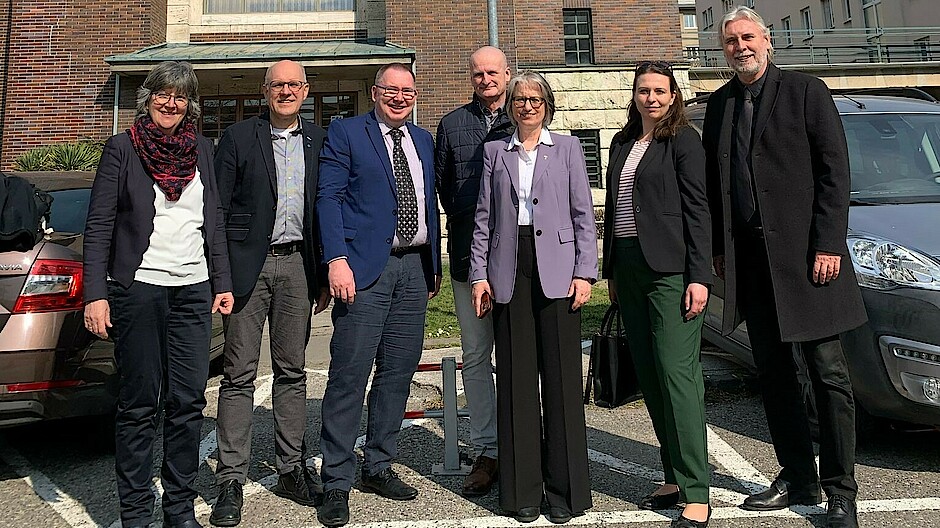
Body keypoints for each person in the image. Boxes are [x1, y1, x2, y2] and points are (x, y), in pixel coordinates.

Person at [702, 7, 867, 528]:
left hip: (809, 261)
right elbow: (716, 183)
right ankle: (798, 474)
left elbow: (834, 172)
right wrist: (719, 249)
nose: (740, 47)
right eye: (730, 41)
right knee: (775, 376)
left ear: (768, 42)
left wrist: (828, 244)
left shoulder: (805, 91)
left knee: (829, 375)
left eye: (748, 38)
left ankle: (841, 490)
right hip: (752, 264)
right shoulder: (722, 104)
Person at [83, 60, 234, 528]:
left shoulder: (202, 150)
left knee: (188, 403)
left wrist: (222, 282)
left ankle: (178, 509)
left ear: (190, 105)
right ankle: (134, 514)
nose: (171, 103)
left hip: (192, 290)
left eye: (181, 96)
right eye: (163, 94)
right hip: (140, 289)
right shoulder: (121, 149)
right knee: (140, 405)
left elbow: (214, 219)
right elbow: (99, 226)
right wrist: (95, 293)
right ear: (148, 98)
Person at [315, 62, 442, 528]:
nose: (400, 97)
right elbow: (328, 198)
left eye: (408, 91)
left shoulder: (423, 140)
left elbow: (428, 201)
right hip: (362, 270)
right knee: (349, 375)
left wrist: (432, 266)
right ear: (374, 92)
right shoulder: (347, 133)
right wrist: (335, 259)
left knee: (397, 373)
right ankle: (336, 480)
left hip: (413, 269)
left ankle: (379, 464)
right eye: (391, 90)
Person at [469, 70, 597, 525]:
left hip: (559, 271)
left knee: (561, 380)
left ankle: (564, 492)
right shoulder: (493, 154)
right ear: (510, 106)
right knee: (518, 380)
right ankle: (523, 490)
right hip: (509, 268)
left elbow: (584, 214)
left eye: (535, 99)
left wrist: (586, 272)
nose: (527, 106)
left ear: (547, 104)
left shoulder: (567, 149)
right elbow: (483, 218)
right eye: (520, 99)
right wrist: (479, 275)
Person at [209, 59, 330, 527]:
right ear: (265, 90)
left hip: (299, 265)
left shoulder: (320, 140)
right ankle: (230, 478)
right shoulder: (240, 138)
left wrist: (321, 275)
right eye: (278, 84)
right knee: (238, 373)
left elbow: (326, 206)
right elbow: (216, 210)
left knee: (292, 370)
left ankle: (291, 467)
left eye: (293, 84)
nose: (285, 91)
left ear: (305, 90)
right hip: (247, 268)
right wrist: (220, 277)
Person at [601, 61, 712, 528]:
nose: (651, 98)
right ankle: (673, 475)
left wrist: (699, 276)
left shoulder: (684, 141)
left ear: (673, 95)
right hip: (628, 269)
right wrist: (610, 268)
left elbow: (698, 209)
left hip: (671, 273)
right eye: (644, 90)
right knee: (648, 374)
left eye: (660, 91)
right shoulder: (622, 142)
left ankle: (697, 491)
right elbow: (614, 209)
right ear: (634, 94)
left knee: (676, 374)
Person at [434, 45, 513, 497]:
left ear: (507, 74)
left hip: (521, 262)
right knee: (477, 355)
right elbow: (445, 189)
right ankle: (487, 449)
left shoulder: (524, 114)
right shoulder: (452, 125)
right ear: (472, 78)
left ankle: (525, 438)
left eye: (492, 72)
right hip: (470, 259)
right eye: (478, 73)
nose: (486, 79)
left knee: (521, 353)